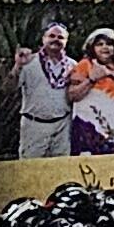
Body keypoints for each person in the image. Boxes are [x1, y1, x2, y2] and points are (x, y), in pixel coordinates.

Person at [9, 16, 75, 159]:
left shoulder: (72, 65)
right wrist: (17, 65)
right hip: (34, 126)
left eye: (60, 37)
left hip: (62, 126)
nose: (56, 39)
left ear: (66, 42)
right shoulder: (28, 62)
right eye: (52, 36)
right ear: (43, 39)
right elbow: (10, 88)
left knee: (60, 168)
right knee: (31, 168)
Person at [66, 25, 114, 154]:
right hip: (91, 132)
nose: (105, 47)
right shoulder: (85, 64)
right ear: (92, 47)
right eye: (99, 44)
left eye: (109, 44)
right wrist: (92, 79)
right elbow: (72, 96)